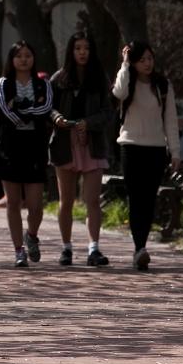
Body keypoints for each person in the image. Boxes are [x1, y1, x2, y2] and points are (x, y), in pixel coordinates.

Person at [112, 41, 180, 271]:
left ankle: (141, 246)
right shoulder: (127, 81)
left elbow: (170, 120)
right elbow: (118, 92)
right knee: (135, 198)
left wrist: (175, 152)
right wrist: (124, 64)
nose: (148, 63)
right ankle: (139, 247)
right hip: (130, 147)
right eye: (142, 59)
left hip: (155, 149)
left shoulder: (162, 85)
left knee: (149, 199)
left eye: (150, 58)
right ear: (134, 62)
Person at [49, 31, 112, 267]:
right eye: (78, 48)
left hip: (92, 144)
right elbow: (48, 108)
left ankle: (93, 248)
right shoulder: (59, 79)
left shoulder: (99, 79)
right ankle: (66, 248)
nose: (82, 52)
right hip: (65, 144)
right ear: (71, 51)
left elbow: (108, 113)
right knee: (66, 200)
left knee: (92, 200)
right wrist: (58, 119)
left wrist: (90, 122)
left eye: (86, 48)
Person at [0, 41, 53, 268]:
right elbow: (6, 111)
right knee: (13, 202)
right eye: (19, 56)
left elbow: (45, 108)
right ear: (11, 59)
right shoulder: (3, 84)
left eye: (28, 55)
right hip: (10, 148)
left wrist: (24, 112)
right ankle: (19, 250)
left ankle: (32, 235)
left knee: (36, 204)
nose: (24, 59)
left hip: (35, 148)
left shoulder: (43, 84)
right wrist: (26, 114)